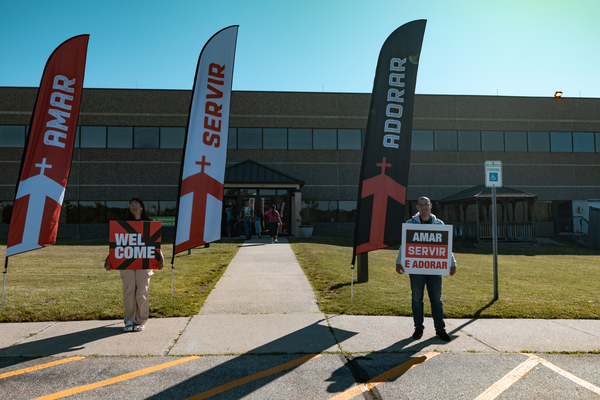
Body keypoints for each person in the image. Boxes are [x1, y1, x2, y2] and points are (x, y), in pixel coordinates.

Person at [396, 196, 456, 342]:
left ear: (430, 206)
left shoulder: (439, 224)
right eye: (421, 205)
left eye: (426, 204)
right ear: (417, 207)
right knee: (417, 299)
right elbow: (404, 245)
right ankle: (418, 328)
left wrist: (452, 262)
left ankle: (440, 329)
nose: (424, 207)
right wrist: (399, 261)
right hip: (416, 269)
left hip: (435, 269)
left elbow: (446, 247)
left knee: (436, 299)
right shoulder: (410, 224)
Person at [104, 198, 164, 332]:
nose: (133, 207)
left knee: (142, 291)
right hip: (126, 262)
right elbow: (118, 243)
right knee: (128, 292)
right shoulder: (124, 224)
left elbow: (154, 243)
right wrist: (109, 258)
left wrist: (161, 257)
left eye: (136, 204)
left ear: (141, 207)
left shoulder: (149, 223)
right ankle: (129, 321)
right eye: (131, 205)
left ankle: (141, 321)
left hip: (144, 261)